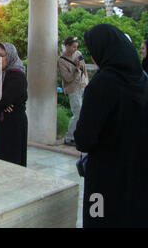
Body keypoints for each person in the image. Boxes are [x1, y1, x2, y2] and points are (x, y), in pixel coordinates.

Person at [75, 24, 148, 227]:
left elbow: (84, 139)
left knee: (98, 217)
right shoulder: (142, 80)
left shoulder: (102, 85)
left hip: (105, 176)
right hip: (137, 171)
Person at [57, 36, 89, 146]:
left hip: (83, 85)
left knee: (85, 113)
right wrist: (76, 67)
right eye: (73, 47)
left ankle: (80, 135)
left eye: (77, 47)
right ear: (67, 46)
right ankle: (69, 137)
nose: (75, 49)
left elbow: (84, 70)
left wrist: (86, 82)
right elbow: (68, 78)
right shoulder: (61, 61)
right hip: (73, 89)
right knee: (78, 113)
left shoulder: (78, 53)